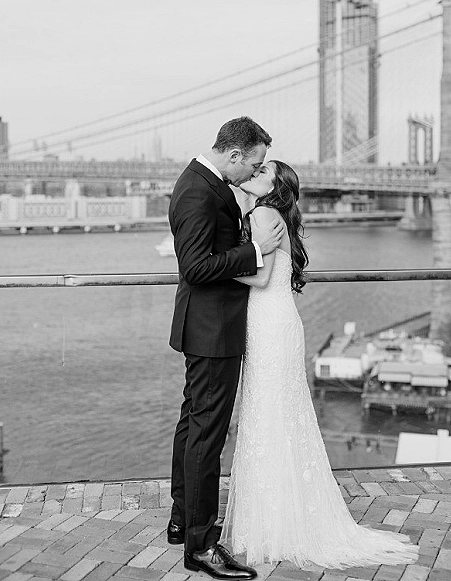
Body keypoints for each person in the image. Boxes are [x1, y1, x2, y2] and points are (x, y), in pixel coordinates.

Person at [220, 160, 419, 569]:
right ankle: (283, 519)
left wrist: (215, 267)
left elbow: (259, 278)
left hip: (267, 324)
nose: (253, 174)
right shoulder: (277, 216)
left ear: (275, 187)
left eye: (262, 172)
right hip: (281, 323)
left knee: (266, 415)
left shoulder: (262, 215)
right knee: (282, 416)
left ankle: (270, 525)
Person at [168, 117, 285, 580]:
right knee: (207, 437)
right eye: (253, 164)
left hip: (205, 327)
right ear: (234, 155)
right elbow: (196, 267)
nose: (254, 171)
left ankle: (183, 520)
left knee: (192, 426)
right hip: (212, 330)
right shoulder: (199, 190)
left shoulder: (204, 182)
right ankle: (200, 546)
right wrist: (256, 250)